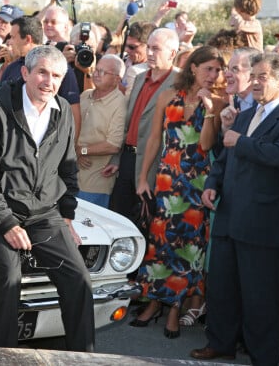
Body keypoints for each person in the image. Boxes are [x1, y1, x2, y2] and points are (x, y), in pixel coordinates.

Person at [0, 45, 94, 352]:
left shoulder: (63, 110)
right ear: (25, 73)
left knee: (79, 279)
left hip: (44, 214)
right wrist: (7, 223)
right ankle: (2, 355)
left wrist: (67, 215)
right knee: (10, 277)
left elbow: (68, 167)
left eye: (56, 76)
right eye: (41, 72)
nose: (47, 82)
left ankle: (84, 357)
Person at [191, 53, 279, 364]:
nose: (254, 81)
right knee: (222, 288)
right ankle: (220, 343)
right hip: (228, 215)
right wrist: (213, 182)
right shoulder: (244, 113)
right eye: (253, 75)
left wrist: (240, 141)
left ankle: (263, 356)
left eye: (262, 76)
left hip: (261, 221)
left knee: (260, 296)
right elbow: (225, 156)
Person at [130, 46, 226, 340]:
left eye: (217, 70)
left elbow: (207, 145)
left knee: (188, 248)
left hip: (197, 185)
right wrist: (143, 178)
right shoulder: (168, 94)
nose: (213, 75)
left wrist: (210, 111)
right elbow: (153, 140)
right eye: (208, 68)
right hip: (167, 179)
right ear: (193, 67)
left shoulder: (219, 102)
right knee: (159, 243)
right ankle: (155, 303)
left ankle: (173, 308)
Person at [107, 28, 180, 221]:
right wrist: (116, 159)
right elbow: (128, 122)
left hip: (154, 163)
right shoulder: (140, 78)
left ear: (172, 53)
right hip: (128, 159)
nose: (149, 53)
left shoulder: (180, 83)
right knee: (119, 219)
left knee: (145, 222)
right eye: (148, 47)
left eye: (156, 49)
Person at [0, 16, 81, 143]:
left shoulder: (59, 68)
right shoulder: (12, 68)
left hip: (47, 148)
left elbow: (73, 111)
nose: (10, 42)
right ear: (24, 73)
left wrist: (69, 149)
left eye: (13, 37)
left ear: (27, 39)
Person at [76, 54, 127, 208]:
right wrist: (75, 151)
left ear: (117, 79)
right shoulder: (85, 95)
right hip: (71, 175)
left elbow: (113, 145)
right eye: (96, 70)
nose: (97, 74)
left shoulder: (120, 104)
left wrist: (81, 151)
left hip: (94, 183)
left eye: (103, 72)